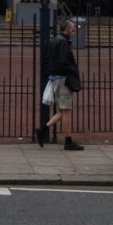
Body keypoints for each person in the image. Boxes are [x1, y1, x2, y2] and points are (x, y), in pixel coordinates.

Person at [38, 18, 83, 150]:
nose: (73, 32)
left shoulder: (54, 40)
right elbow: (63, 62)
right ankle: (68, 141)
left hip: (55, 78)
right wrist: (73, 70)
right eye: (72, 29)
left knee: (61, 110)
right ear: (67, 29)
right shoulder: (63, 42)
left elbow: (48, 59)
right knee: (67, 110)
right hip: (63, 79)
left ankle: (43, 130)